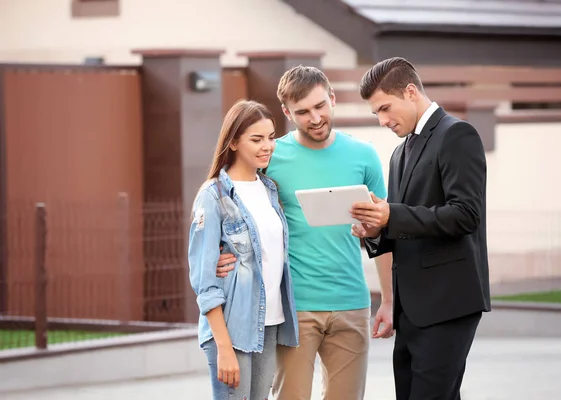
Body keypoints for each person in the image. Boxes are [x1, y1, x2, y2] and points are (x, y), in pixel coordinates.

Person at [216, 66, 394, 399]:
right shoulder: (271, 157)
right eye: (302, 112)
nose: (314, 118)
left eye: (320, 106)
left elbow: (383, 233)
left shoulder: (364, 155)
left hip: (351, 303)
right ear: (287, 112)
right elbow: (237, 210)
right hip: (292, 307)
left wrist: (388, 299)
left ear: (332, 98)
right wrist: (221, 255)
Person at [350, 57, 491, 400]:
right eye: (376, 114)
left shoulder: (457, 134)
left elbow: (465, 215)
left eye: (385, 108)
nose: (382, 120)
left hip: (448, 302)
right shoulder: (400, 152)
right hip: (412, 308)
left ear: (410, 92)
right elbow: (404, 222)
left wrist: (390, 216)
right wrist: (376, 231)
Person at [187, 100, 299, 400]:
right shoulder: (214, 195)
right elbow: (204, 282)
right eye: (256, 139)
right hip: (232, 331)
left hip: (270, 324)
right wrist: (223, 347)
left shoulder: (270, 190)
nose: (267, 146)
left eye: (271, 137)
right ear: (234, 142)